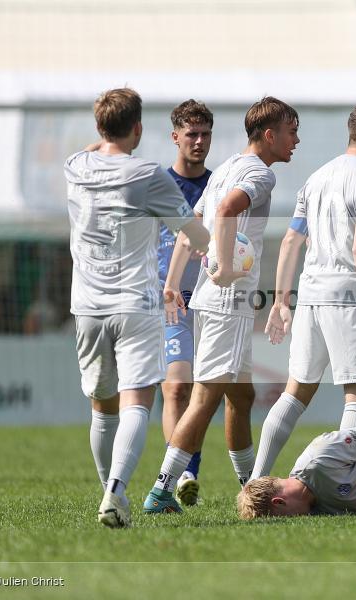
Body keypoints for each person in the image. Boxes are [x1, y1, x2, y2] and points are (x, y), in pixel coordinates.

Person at [144, 97, 300, 514]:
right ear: (269, 135)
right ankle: (162, 490)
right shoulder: (258, 173)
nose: (296, 140)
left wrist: (174, 283)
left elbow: (189, 228)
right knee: (205, 397)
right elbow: (229, 211)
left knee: (241, 396)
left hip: (213, 298)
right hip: (227, 299)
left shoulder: (228, 166)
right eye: (291, 131)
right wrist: (228, 266)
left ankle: (251, 488)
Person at [65, 88, 210, 528]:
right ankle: (115, 493)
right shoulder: (148, 173)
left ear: (98, 127)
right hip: (136, 304)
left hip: (86, 306)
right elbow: (194, 236)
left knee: (102, 407)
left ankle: (109, 491)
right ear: (140, 129)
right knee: (135, 405)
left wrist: (103, 138)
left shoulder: (76, 167)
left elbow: (91, 150)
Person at [249, 103, 356, 481]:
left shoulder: (315, 178)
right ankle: (336, 482)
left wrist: (281, 302)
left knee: (294, 394)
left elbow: (290, 241)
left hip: (310, 295)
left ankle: (254, 483)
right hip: (349, 296)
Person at [157, 100, 215, 506]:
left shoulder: (219, 185)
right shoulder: (155, 185)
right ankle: (183, 475)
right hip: (168, 299)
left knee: (208, 390)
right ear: (175, 136)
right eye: (191, 134)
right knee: (176, 387)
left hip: (212, 299)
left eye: (205, 134)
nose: (198, 142)